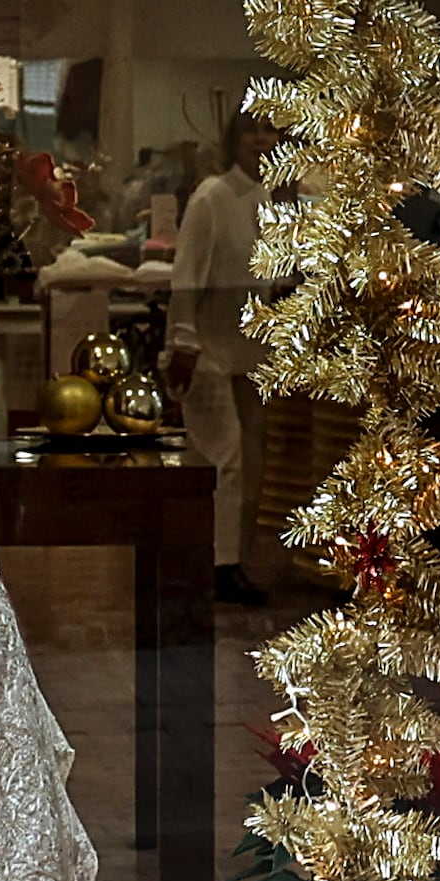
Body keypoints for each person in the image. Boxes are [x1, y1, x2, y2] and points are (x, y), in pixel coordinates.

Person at [164, 114, 283, 600]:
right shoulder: (211, 197)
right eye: (252, 131)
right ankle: (216, 564)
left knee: (250, 460)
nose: (262, 141)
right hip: (208, 351)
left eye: (271, 131)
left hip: (251, 351)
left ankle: (232, 558)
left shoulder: (271, 199)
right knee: (223, 457)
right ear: (233, 140)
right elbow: (187, 275)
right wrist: (184, 342)